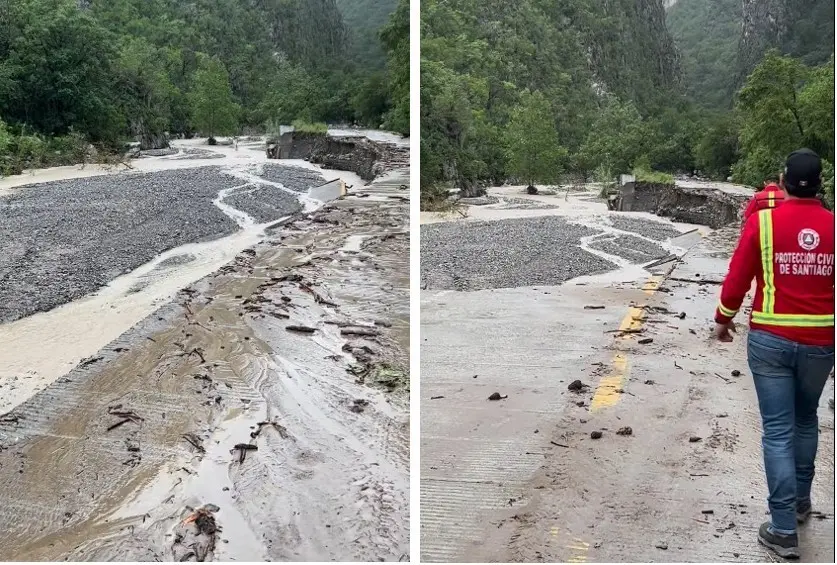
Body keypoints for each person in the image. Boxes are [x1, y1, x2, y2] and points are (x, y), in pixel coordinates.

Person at [713, 148, 835, 559]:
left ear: (782, 181)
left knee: (778, 431)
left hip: (770, 343)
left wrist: (723, 319)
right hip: (821, 342)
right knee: (806, 420)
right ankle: (800, 503)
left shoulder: (763, 223)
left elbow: (738, 277)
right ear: (821, 183)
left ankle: (782, 528)